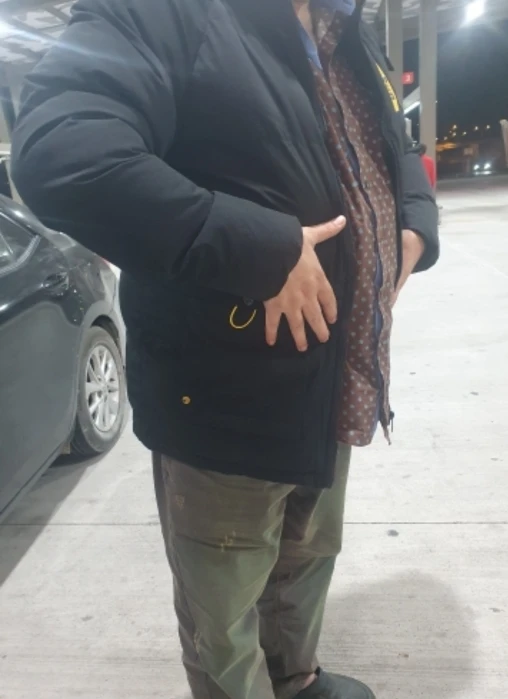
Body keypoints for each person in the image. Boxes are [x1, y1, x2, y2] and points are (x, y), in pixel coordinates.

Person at [11, 1, 439, 697]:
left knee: (308, 553)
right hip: (223, 398)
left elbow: (390, 137)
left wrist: (415, 219)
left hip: (335, 376)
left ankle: (295, 680)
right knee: (224, 607)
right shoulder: (161, 12)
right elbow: (64, 154)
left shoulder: (343, 23)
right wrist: (256, 248)